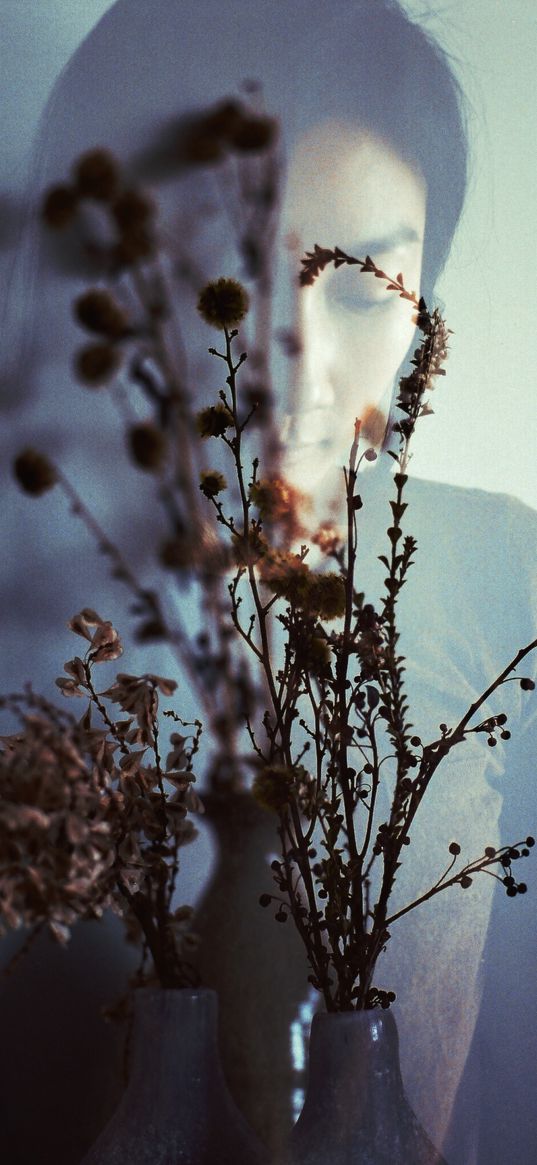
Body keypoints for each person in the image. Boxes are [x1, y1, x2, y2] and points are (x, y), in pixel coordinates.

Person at [1, 2, 535, 1163]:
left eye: (358, 291)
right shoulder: (26, 611)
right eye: (221, 275)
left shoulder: (504, 584)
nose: (290, 366)